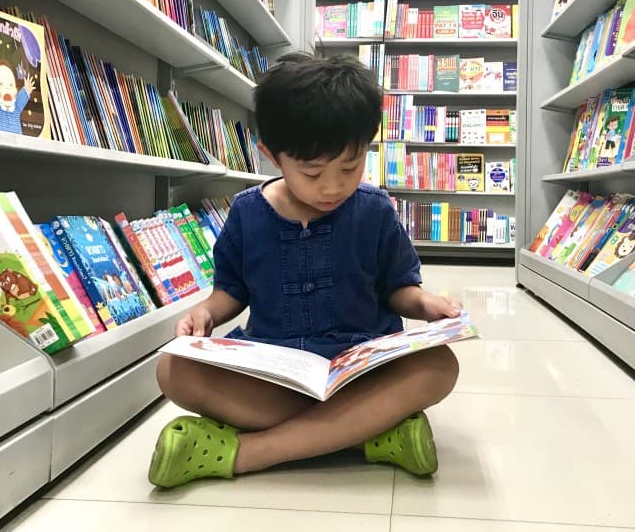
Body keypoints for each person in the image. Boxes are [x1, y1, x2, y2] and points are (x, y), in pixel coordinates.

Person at [150, 54, 461, 488]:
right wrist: (206, 313)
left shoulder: (374, 211)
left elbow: (398, 288)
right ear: (271, 156)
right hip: (275, 372)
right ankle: (369, 434)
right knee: (172, 369)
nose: (333, 187)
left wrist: (427, 305)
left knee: (439, 366)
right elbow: (231, 290)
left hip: (360, 370)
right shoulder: (246, 213)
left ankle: (246, 453)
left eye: (350, 167)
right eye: (312, 172)